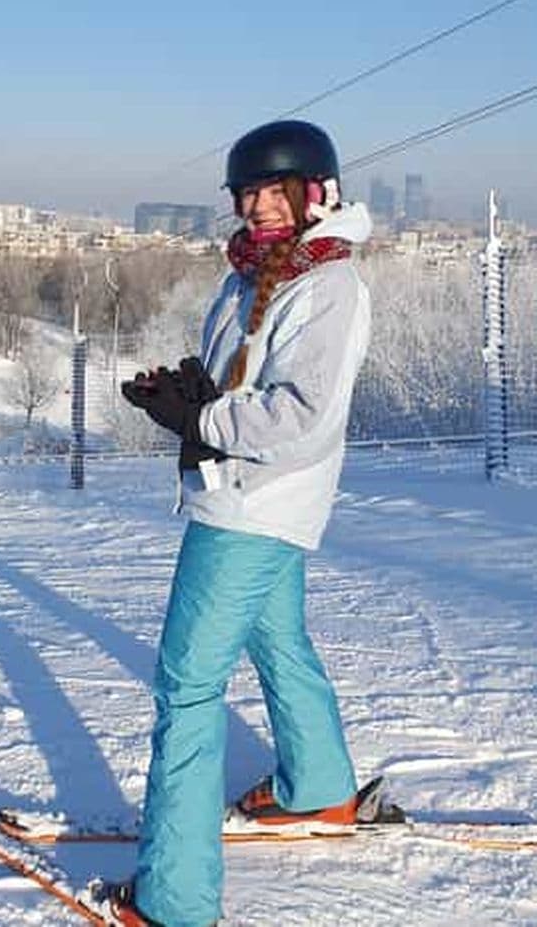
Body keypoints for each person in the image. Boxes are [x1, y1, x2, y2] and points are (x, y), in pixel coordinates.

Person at [100, 120, 373, 927]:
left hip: (253, 504)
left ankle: (175, 900)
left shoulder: (327, 285)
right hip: (248, 492)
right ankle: (319, 787)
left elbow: (301, 415)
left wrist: (203, 419)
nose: (257, 207)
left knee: (187, 686)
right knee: (279, 638)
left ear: (315, 193)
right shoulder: (255, 272)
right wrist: (187, 392)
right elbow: (242, 381)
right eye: (246, 193)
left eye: (273, 192)